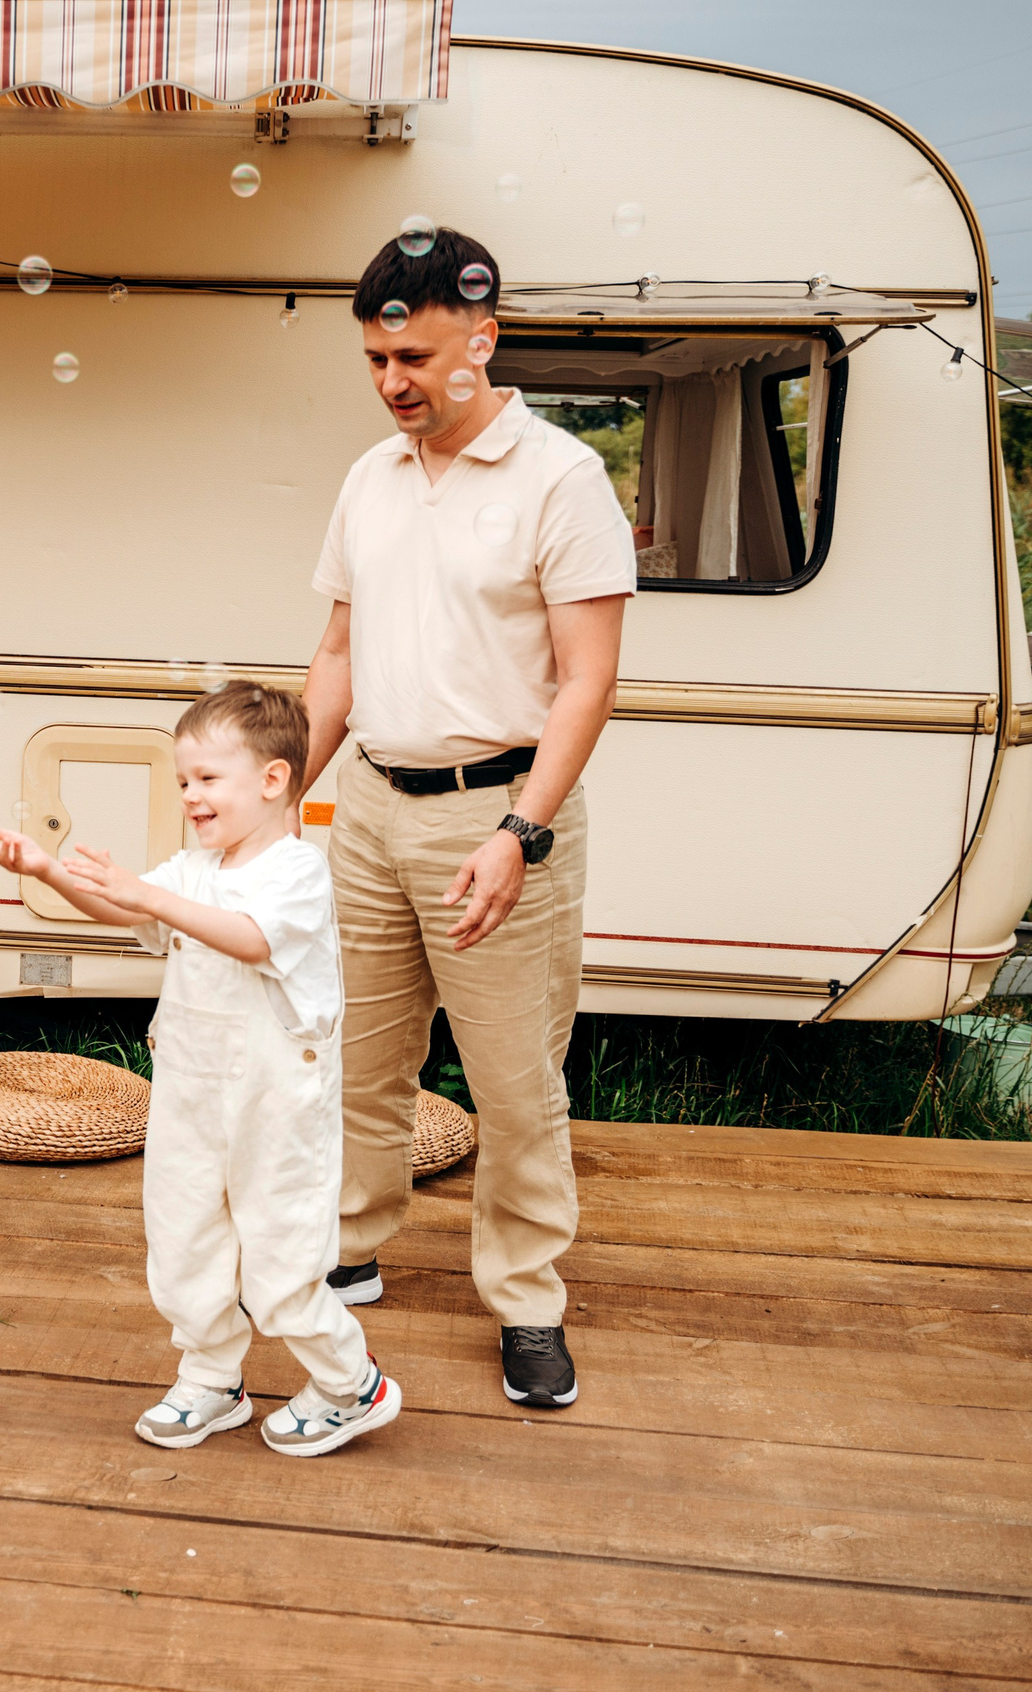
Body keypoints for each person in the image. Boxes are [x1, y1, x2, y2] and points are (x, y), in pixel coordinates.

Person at [304, 228, 634, 1410]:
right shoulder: (369, 477)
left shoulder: (560, 478)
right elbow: (336, 655)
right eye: (375, 359)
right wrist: (279, 793)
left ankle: (526, 1297)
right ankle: (350, 1242)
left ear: (481, 340)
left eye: (416, 356)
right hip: (369, 810)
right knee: (358, 1057)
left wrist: (520, 833)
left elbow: (589, 679)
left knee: (512, 1078)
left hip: (499, 814)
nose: (392, 381)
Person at [0, 682, 398, 1457]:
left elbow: (251, 937)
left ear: (272, 779)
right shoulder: (194, 867)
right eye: (183, 780)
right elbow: (129, 909)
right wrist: (48, 871)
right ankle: (211, 1376)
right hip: (192, 1092)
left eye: (207, 778)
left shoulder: (297, 871)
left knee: (281, 1256)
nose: (189, 795)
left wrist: (150, 895)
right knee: (183, 1240)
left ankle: (350, 1383)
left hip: (276, 1102)